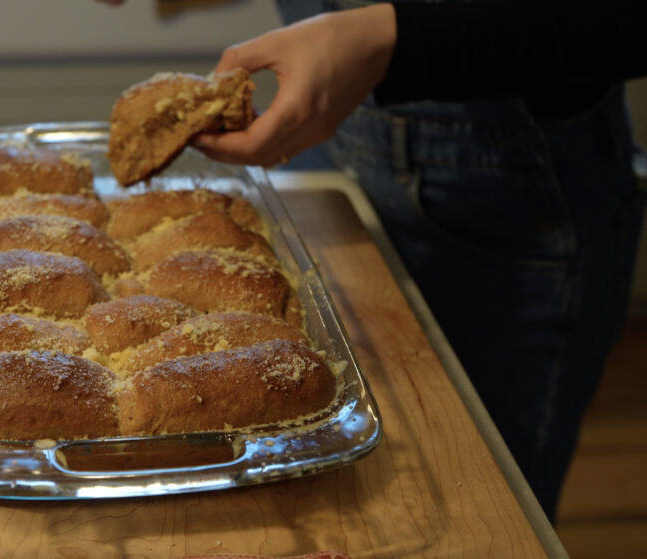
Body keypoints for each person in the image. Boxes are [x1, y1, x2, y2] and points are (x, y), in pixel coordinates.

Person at [194, 0, 647, 521]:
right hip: (329, 125)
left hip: (500, 181)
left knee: (470, 507)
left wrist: (391, 38)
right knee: (326, 503)